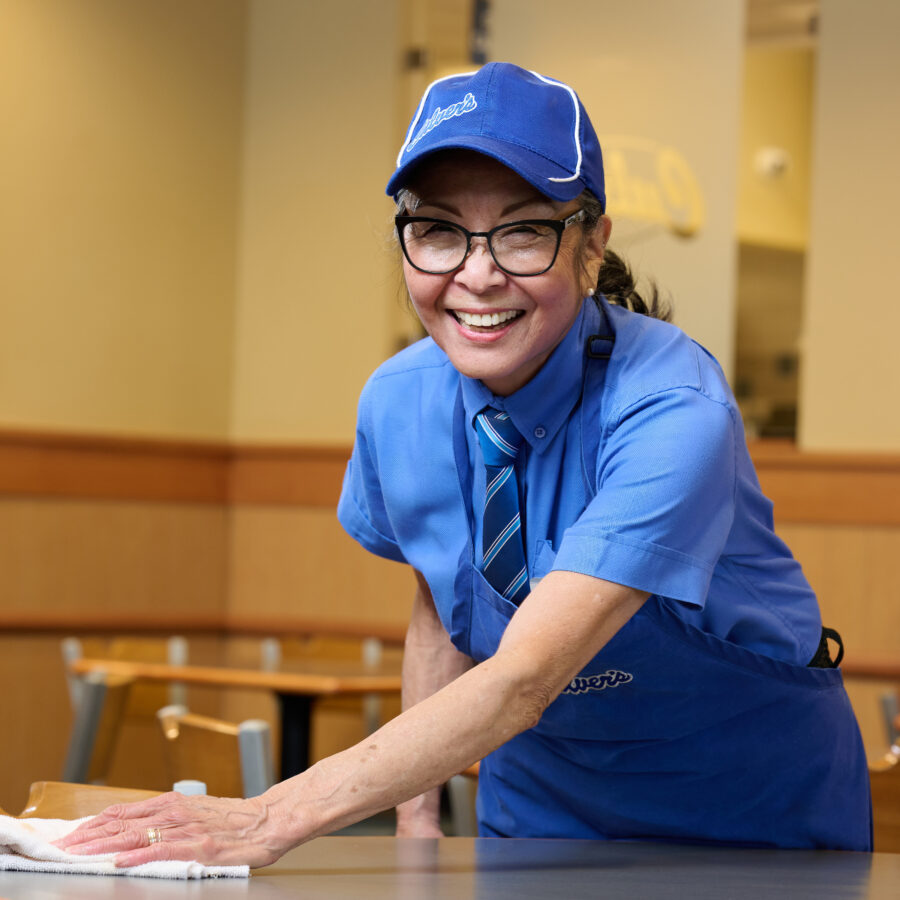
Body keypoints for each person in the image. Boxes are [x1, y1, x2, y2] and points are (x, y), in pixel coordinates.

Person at [57, 62, 871, 866]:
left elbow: (523, 676)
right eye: (440, 230)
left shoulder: (672, 407)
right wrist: (417, 821)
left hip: (747, 809)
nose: (476, 275)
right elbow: (442, 606)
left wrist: (270, 816)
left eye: (524, 231)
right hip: (543, 802)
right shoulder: (397, 403)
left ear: (591, 249)